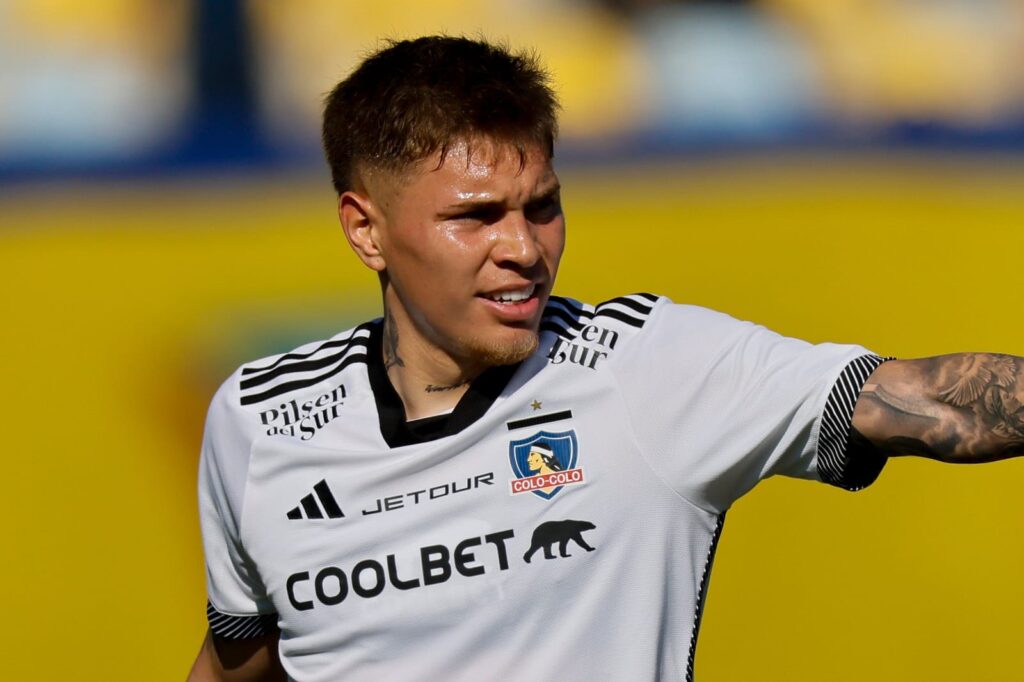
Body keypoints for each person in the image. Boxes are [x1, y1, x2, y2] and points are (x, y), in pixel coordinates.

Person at [188, 36, 1024, 681]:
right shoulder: (257, 420)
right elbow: (244, 659)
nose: (523, 247)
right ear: (364, 228)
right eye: (475, 217)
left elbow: (927, 400)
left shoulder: (647, 368)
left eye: (543, 207)